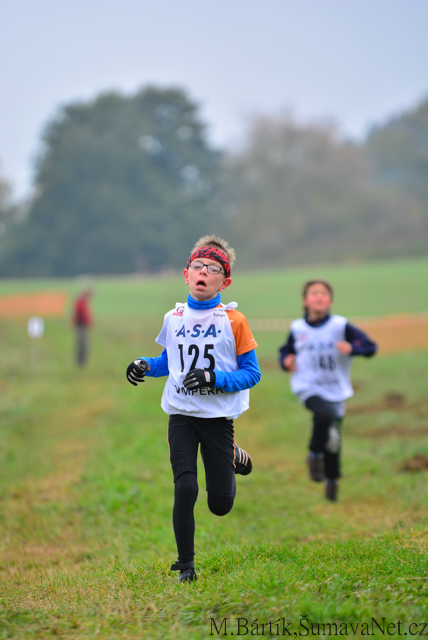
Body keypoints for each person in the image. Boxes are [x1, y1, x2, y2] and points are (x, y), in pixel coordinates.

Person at [126, 235, 261, 583]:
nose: (203, 273)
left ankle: (233, 455)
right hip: (181, 414)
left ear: (224, 281)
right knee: (185, 487)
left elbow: (252, 373)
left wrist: (213, 378)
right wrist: (144, 364)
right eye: (197, 266)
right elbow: (167, 362)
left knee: (220, 506)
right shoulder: (173, 317)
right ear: (186, 274)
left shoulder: (234, 320)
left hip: (217, 419)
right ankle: (186, 565)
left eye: (213, 269)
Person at [278, 279, 376, 502]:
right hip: (308, 386)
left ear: (330, 301)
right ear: (305, 301)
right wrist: (286, 360)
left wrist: (353, 348)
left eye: (324, 293)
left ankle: (332, 483)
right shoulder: (298, 328)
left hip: (336, 389)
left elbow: (369, 347)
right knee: (323, 414)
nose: (319, 297)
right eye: (314, 293)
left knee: (333, 441)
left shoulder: (341, 326)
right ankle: (313, 455)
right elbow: (286, 350)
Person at [72, 289, 93, 366]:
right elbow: (83, 315)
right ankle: (80, 362)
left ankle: (81, 362)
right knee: (82, 344)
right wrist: (87, 322)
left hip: (82, 325)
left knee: (83, 344)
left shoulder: (81, 302)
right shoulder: (81, 303)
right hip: (81, 325)